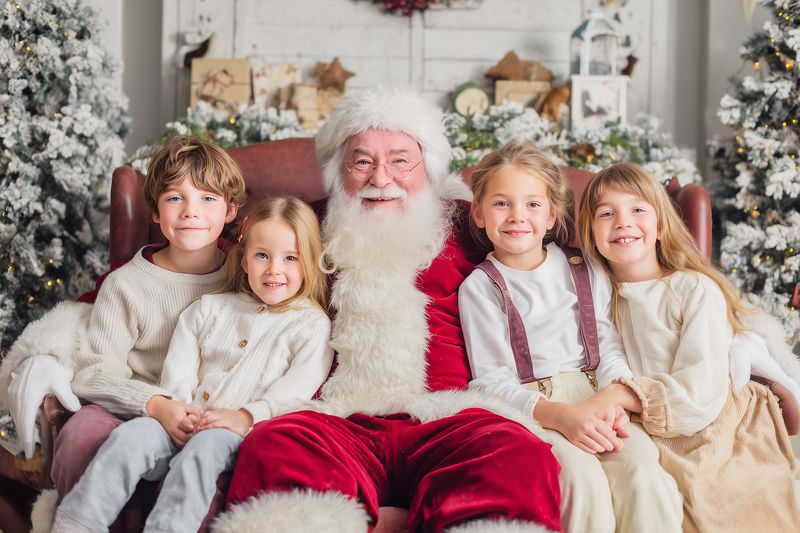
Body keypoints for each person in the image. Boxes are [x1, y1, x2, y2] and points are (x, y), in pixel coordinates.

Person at [215, 88, 563, 533]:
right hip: (336, 420)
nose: (381, 178)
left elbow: (552, 257)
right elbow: (220, 253)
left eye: (400, 161)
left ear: (427, 169)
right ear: (338, 171)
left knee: (515, 454)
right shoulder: (304, 226)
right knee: (276, 444)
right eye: (362, 162)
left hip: (451, 417)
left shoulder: (469, 222)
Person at [0, 136, 247, 527]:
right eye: (175, 198)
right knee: (82, 437)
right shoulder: (127, 284)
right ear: (155, 212)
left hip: (214, 415)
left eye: (207, 198)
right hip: (132, 406)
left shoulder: (246, 275)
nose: (191, 211)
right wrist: (156, 404)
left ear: (231, 210)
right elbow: (93, 373)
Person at [51, 196, 333, 533]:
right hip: (182, 418)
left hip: (235, 435)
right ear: (244, 260)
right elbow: (179, 368)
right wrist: (178, 409)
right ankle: (76, 524)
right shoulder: (209, 308)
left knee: (203, 451)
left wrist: (246, 417)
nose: (274, 269)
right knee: (130, 437)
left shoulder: (311, 326)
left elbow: (295, 394)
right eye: (262, 255)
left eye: (290, 258)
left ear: (309, 263)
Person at [458, 142, 682, 533]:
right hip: (535, 410)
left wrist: (613, 398)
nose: (517, 216)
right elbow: (491, 381)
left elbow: (609, 346)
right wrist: (560, 416)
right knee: (580, 480)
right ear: (478, 213)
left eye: (532, 204)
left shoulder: (582, 267)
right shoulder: (481, 287)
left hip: (600, 395)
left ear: (551, 215)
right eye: (501, 204)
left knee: (641, 470)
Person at [577, 161, 800, 533]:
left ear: (661, 226)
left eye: (637, 209)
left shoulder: (694, 289)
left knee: (718, 512)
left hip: (718, 427)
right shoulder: (603, 297)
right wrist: (617, 397)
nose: (623, 222)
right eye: (607, 213)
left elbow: (700, 391)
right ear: (589, 232)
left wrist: (619, 396)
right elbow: (606, 356)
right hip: (657, 425)